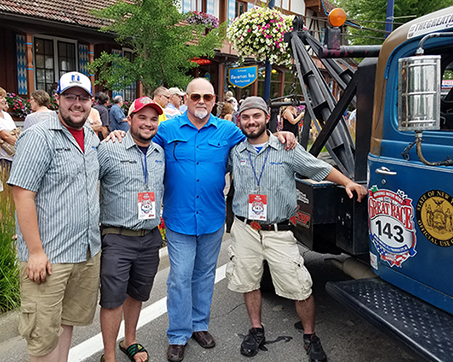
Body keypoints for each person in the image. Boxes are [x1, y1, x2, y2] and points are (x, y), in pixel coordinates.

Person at [152, 78, 296, 362]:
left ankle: (199, 325)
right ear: (186, 99)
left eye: (207, 97)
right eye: (195, 97)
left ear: (214, 99)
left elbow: (257, 137)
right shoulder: (167, 129)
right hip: (179, 218)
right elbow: (141, 143)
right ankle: (178, 334)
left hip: (212, 217)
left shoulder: (227, 130)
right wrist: (117, 136)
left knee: (204, 275)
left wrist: (281, 134)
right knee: (180, 278)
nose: (201, 102)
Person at [226, 97, 367, 362]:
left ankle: (310, 335)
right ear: (239, 120)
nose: (251, 122)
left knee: (300, 286)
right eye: (245, 117)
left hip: (279, 230)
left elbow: (320, 169)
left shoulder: (286, 148)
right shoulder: (235, 152)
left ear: (267, 117)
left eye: (256, 116)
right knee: (248, 281)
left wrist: (347, 182)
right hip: (245, 228)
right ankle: (256, 329)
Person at [8, 71, 101, 362]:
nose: (77, 103)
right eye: (70, 97)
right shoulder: (38, 136)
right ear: (57, 99)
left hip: (84, 252)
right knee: (43, 337)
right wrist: (35, 251)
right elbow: (22, 194)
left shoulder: (90, 136)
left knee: (65, 322)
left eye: (83, 98)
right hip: (49, 256)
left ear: (91, 102)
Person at [97, 97, 165, 362]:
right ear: (129, 118)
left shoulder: (160, 153)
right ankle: (110, 355)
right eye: (142, 117)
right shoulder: (109, 148)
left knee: (137, 293)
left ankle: (130, 340)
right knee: (112, 299)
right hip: (117, 237)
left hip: (149, 237)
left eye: (153, 119)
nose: (148, 124)